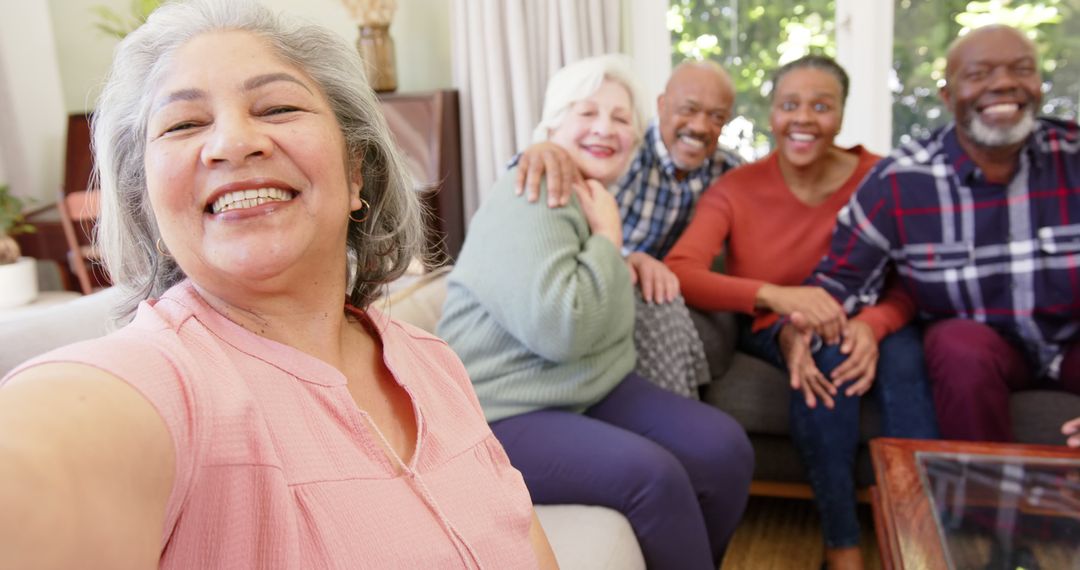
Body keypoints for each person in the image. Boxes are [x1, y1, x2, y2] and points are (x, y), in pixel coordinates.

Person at [0, 1, 557, 568]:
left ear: (355, 171)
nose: (234, 142)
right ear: (148, 207)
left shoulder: (433, 361)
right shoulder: (152, 388)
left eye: (278, 107)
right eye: (184, 124)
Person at [437, 55, 754, 569]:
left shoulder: (586, 192)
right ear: (552, 126)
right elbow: (564, 328)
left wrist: (621, 253)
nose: (606, 128)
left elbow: (577, 279)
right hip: (503, 410)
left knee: (723, 449)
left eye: (621, 118)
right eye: (586, 113)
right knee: (656, 478)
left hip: (586, 387)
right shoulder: (532, 191)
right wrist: (611, 237)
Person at [665, 55, 939, 570]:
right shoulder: (737, 187)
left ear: (841, 114)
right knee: (824, 356)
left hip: (876, 319)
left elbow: (913, 280)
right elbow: (682, 269)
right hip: (777, 326)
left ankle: (923, 543)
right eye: (790, 105)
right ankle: (844, 549)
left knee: (905, 367)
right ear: (772, 114)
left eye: (821, 105)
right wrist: (779, 297)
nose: (804, 118)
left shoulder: (881, 178)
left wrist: (873, 325)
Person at [804, 24, 1080, 445]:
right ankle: (978, 506)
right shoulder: (899, 180)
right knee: (956, 344)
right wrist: (795, 328)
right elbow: (840, 283)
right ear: (948, 97)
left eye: (1021, 70)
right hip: (984, 350)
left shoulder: (1074, 156)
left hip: (1072, 340)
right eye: (979, 74)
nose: (1004, 84)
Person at [506, 61, 742, 398]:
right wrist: (543, 148)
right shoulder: (623, 150)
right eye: (688, 110)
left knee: (683, 319)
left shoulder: (727, 169)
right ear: (662, 106)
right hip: (608, 279)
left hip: (666, 285)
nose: (701, 126)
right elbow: (538, 174)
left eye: (717, 117)